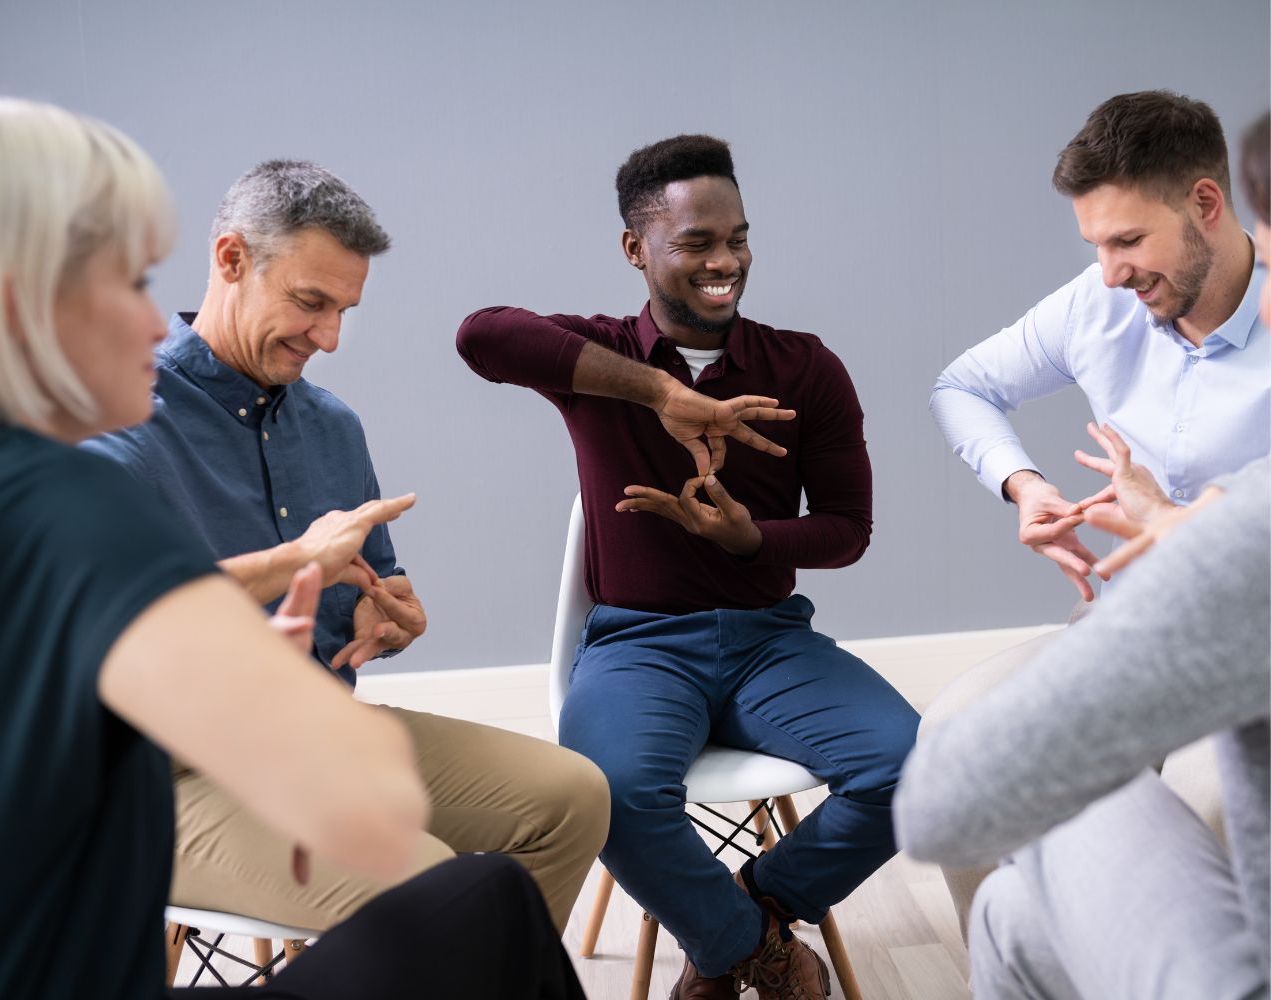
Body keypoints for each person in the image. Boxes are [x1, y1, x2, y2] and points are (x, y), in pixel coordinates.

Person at [0, 97, 586, 1000]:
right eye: (310, 303)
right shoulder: (105, 441)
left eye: (344, 310)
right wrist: (284, 580)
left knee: (569, 799)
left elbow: (369, 579)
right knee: (455, 890)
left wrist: (390, 617)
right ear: (231, 259)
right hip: (183, 770)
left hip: (307, 718)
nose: (330, 337)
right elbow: (127, 626)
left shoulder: (332, 426)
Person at [457, 134, 919, 1000]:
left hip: (769, 644)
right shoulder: (597, 358)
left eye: (737, 238)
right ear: (636, 249)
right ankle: (763, 955)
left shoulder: (804, 367)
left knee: (918, 768)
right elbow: (481, 336)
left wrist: (751, 543)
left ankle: (741, 929)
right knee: (605, 796)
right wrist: (658, 392)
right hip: (638, 646)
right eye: (697, 242)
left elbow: (848, 530)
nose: (725, 262)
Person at [924, 89, 1270, 936]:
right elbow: (961, 386)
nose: (1111, 271)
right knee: (958, 748)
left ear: (1204, 204)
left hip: (1250, 659)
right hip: (1125, 633)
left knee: (1203, 813)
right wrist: (1022, 484)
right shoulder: (1098, 301)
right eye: (1095, 244)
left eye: (1127, 240)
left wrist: (1181, 521)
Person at [894, 448, 1269, 999]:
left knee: (1032, 791)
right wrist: (1023, 483)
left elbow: (937, 810)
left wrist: (1186, 574)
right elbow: (965, 386)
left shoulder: (1247, 535)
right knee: (1011, 912)